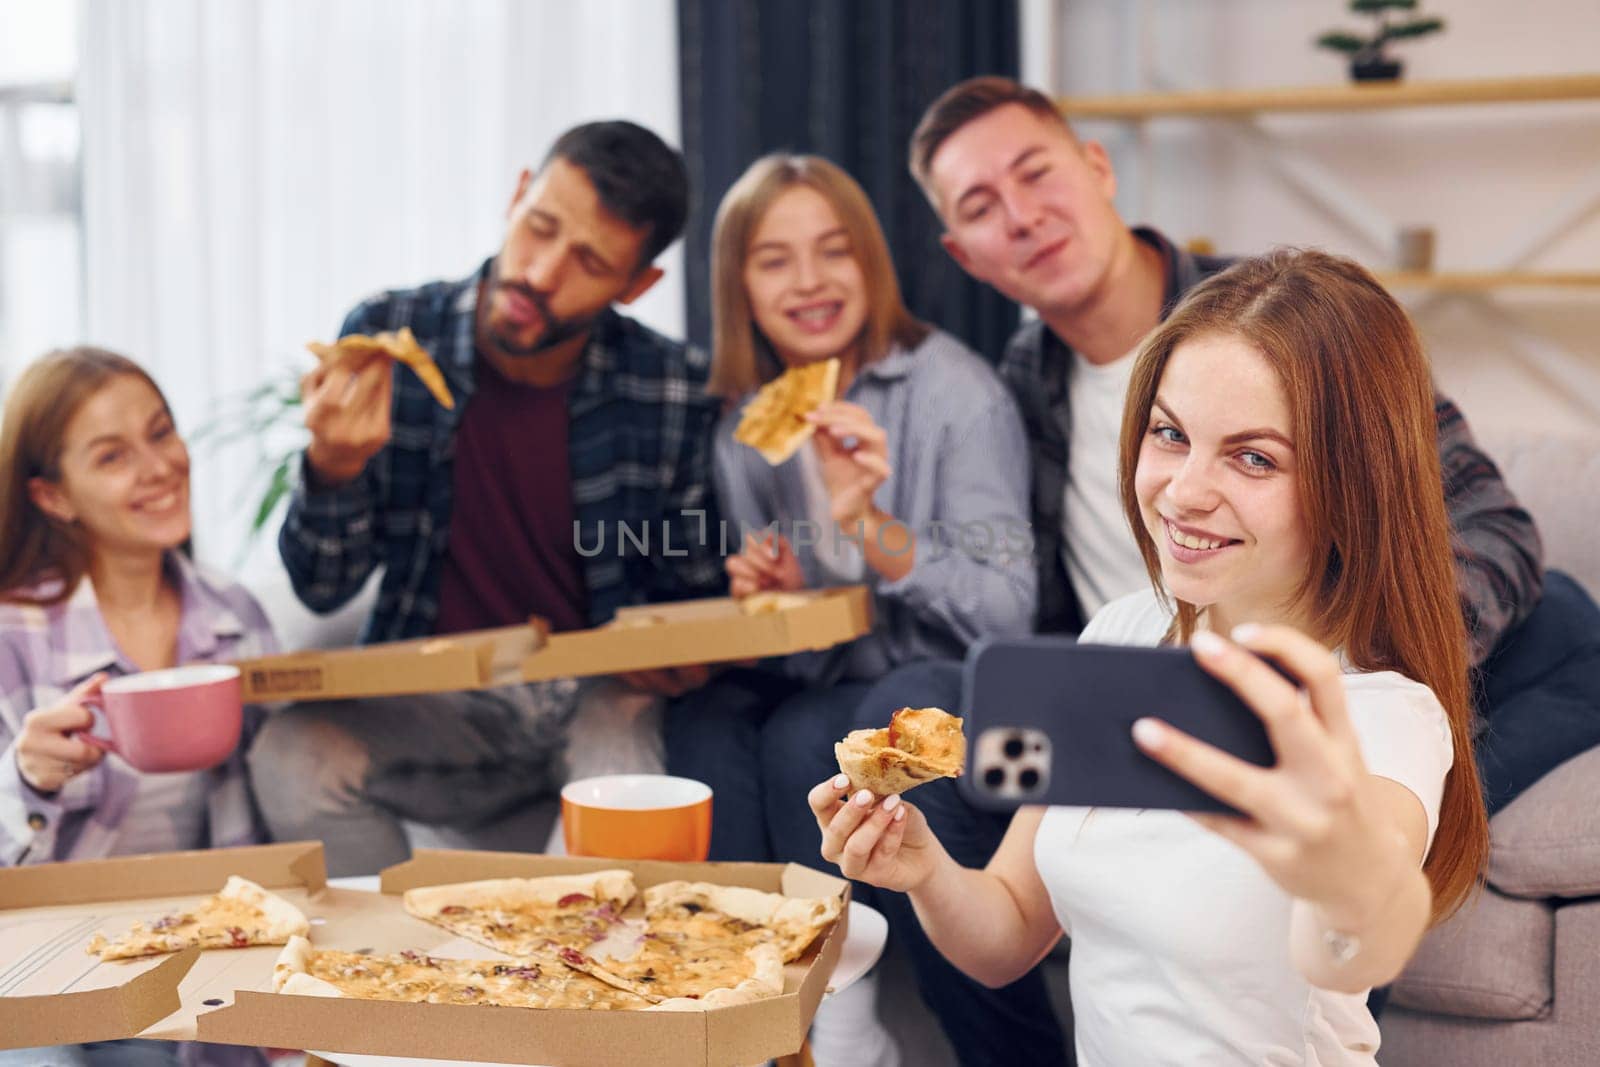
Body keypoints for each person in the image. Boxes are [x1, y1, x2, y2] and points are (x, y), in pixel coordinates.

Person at [827, 75, 1550, 1048]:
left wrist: (1344, 868)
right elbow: (1004, 930)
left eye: (1254, 456)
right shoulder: (1116, 634)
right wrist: (919, 867)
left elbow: (1361, 934)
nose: (1182, 490)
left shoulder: (1378, 707)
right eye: (1167, 435)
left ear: (1349, 480)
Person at [251, 121, 725, 877]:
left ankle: (578, 980)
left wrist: (688, 645)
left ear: (636, 286)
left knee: (629, 772)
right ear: (516, 196)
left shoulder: (673, 389)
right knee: (291, 754)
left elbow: (691, 580)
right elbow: (321, 584)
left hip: (597, 696)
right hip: (432, 700)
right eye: (538, 226)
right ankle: (398, 969)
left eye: (589, 262)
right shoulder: (386, 337)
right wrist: (332, 468)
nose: (539, 273)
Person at [662, 154, 1047, 1066]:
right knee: (737, 724)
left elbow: (1008, 613)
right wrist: (771, 603)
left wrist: (870, 527)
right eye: (774, 260)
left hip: (971, 688)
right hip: (843, 686)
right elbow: (801, 659)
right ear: (738, 287)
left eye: (835, 251)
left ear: (872, 262)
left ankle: (990, 1049)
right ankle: (770, 1027)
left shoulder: (956, 394)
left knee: (861, 721)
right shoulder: (749, 431)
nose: (809, 282)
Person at [0, 348, 277, 1067]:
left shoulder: (235, 618)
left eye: (161, 432)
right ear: (54, 496)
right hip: (75, 982)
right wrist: (26, 776)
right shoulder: (13, 636)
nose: (158, 467)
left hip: (223, 969)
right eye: (113, 456)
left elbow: (284, 804)